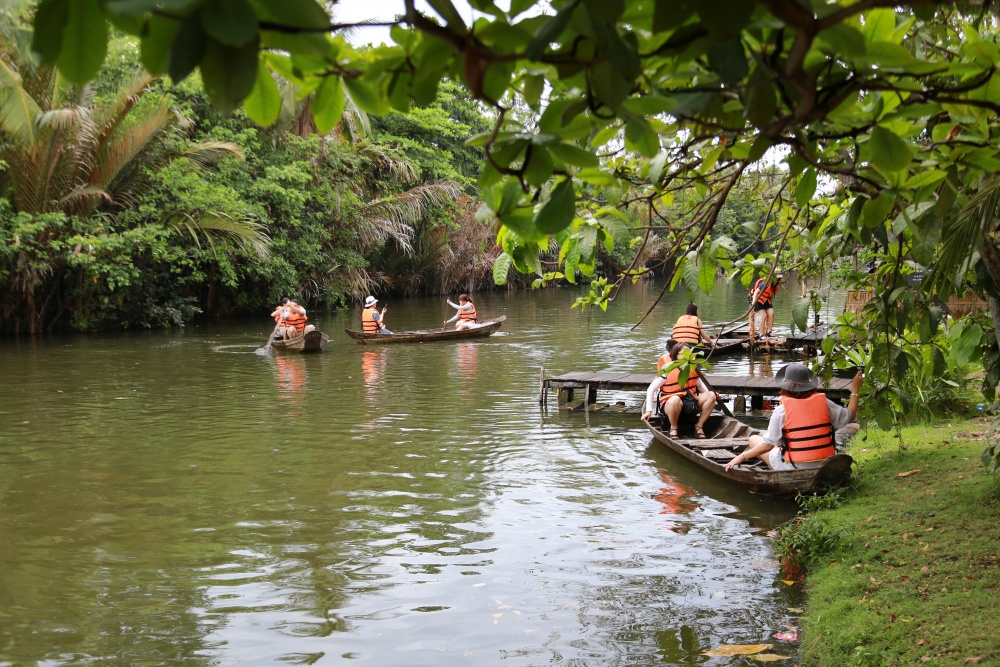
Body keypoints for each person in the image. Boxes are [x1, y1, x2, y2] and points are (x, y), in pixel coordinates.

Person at [724, 364, 863, 472]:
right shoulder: (825, 403)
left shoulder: (781, 410)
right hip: (824, 462)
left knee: (753, 439)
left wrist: (741, 456)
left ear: (784, 387)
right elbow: (850, 415)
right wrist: (855, 389)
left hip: (792, 467)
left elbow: (767, 445)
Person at [641, 343, 718, 439]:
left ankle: (699, 426)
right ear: (676, 355)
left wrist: (715, 396)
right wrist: (649, 411)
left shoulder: (692, 369)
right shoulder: (667, 371)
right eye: (683, 352)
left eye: (688, 352)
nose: (686, 354)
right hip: (670, 405)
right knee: (675, 399)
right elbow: (651, 389)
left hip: (690, 404)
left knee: (711, 395)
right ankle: (673, 428)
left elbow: (704, 389)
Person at [750, 271, 782, 339]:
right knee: (764, 315)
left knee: (771, 313)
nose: (778, 279)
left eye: (779, 278)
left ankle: (769, 332)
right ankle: (761, 334)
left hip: (767, 300)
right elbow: (756, 292)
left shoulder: (775, 284)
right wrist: (753, 303)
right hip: (759, 300)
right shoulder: (765, 283)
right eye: (777, 278)